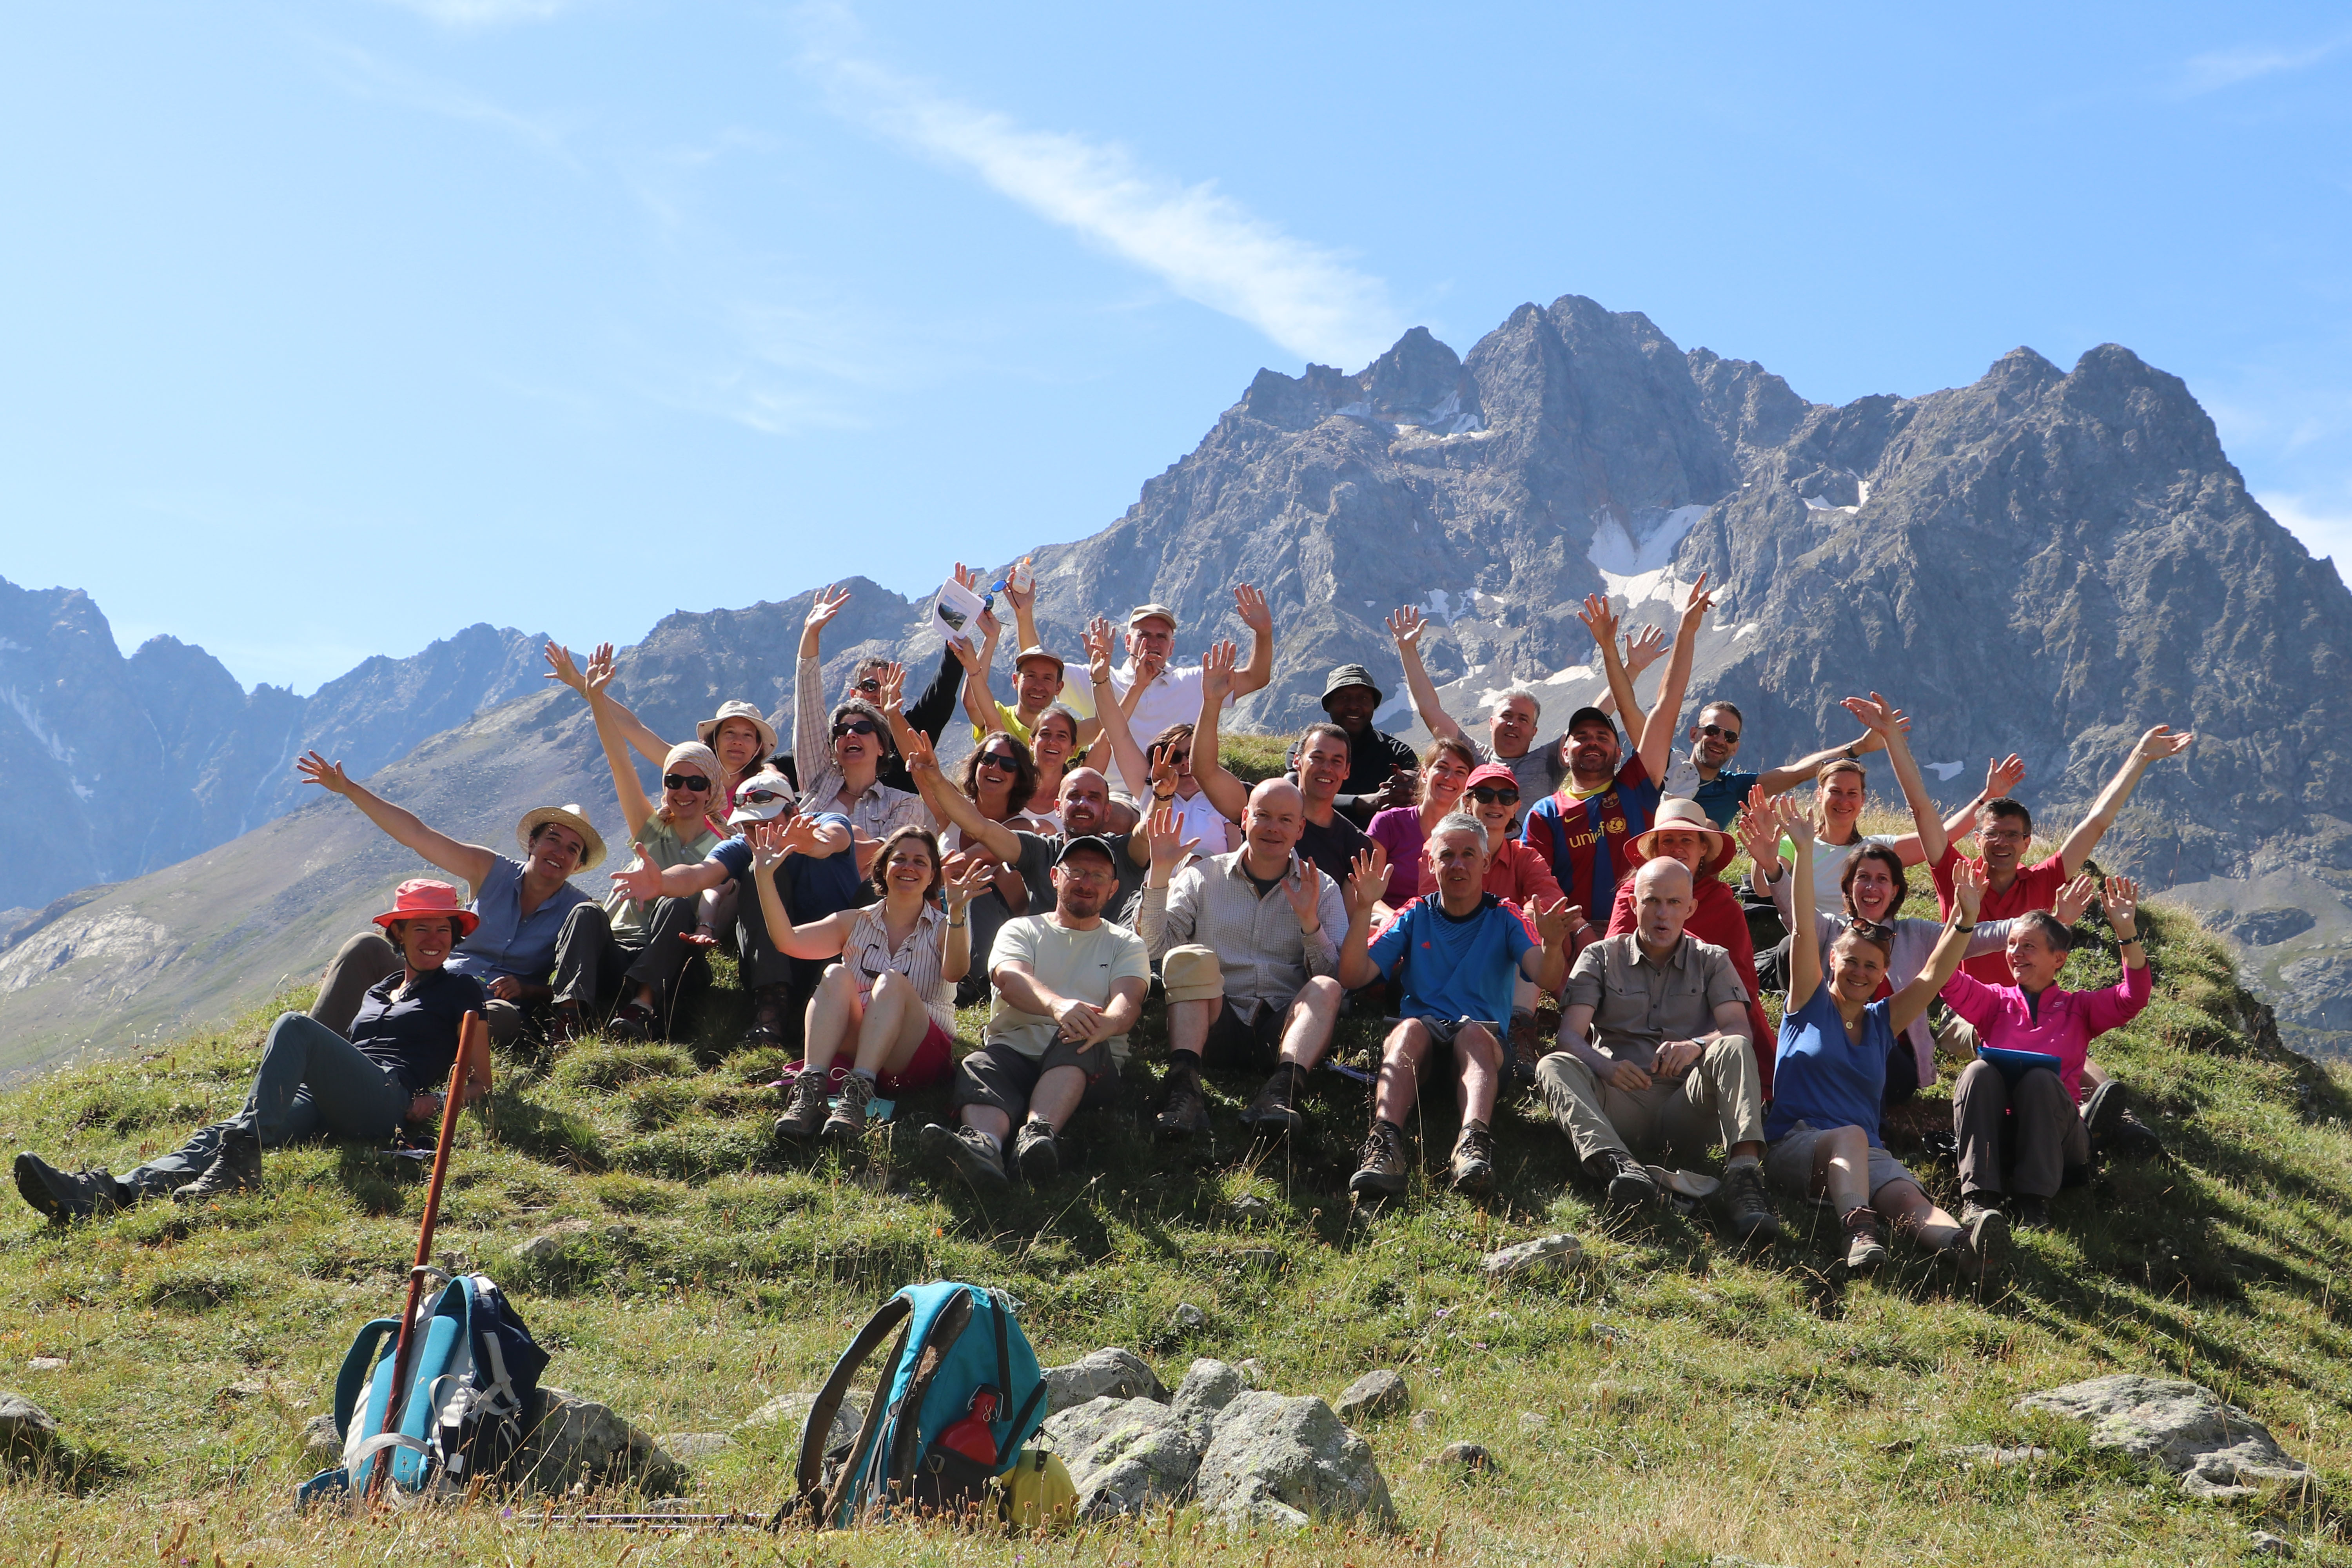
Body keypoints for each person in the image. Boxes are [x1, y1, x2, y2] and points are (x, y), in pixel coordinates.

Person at [14, 881, 487, 1220]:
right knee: (221, 1132)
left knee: (295, 1026)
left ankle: (241, 1162)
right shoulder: (380, 989)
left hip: (388, 1099)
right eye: (421, 928)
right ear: (399, 934)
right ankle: (106, 1193)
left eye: (444, 929)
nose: (434, 940)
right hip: (335, 1099)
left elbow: (482, 1082)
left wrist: (442, 1102)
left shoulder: (462, 989)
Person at [1771, 812, 2000, 1276]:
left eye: (1871, 967)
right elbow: (1801, 930)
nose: (1860, 972)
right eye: (1850, 961)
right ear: (1832, 959)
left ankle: (1962, 1245)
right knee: (1852, 1136)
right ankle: (1859, 1232)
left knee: (1907, 1196)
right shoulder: (1807, 1002)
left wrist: (1967, 916)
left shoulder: (1882, 1018)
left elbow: (1934, 974)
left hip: (1864, 1152)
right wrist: (1800, 853)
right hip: (1795, 1145)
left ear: (1883, 975)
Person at [1535, 857, 1782, 1245]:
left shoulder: (1713, 960)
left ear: (1690, 908)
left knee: (1732, 1045)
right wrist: (1605, 1067)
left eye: (1673, 902)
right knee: (1553, 1064)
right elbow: (1569, 1036)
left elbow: (1738, 1028)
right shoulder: (1599, 957)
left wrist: (1697, 1045)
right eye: (1651, 901)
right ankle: (1619, 1165)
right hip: (1619, 1098)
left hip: (1688, 1104)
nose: (1662, 913)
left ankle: (1744, 1177)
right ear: (1633, 904)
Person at [295, 752, 601, 1047]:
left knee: (501, 1019)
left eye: (573, 849)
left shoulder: (580, 911)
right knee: (365, 946)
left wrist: (528, 989)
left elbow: (577, 985)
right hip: (430, 974)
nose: (560, 853)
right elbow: (418, 835)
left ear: (579, 865)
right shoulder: (489, 869)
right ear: (532, 843)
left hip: (489, 1006)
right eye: (553, 839)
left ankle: (389, 1033)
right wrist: (348, 788)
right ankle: (308, 1044)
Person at [1338, 823, 1575, 1198]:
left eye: (1468, 855)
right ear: (1431, 865)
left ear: (1485, 863)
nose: (1457, 865)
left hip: (1483, 1047)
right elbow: (1352, 975)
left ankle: (1474, 1145)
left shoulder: (1506, 915)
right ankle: (1384, 1145)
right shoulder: (1415, 913)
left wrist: (1552, 943)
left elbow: (1544, 976)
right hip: (1423, 1055)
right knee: (1408, 1029)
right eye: (1447, 855)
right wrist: (1365, 907)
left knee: (1473, 1034)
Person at [920, 836, 1151, 1185]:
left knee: (1079, 1036)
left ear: (1113, 888)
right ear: (1055, 877)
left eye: (1098, 876)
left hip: (1088, 1056)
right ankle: (984, 1149)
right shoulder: (1021, 929)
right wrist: (1058, 1006)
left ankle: (1036, 1137)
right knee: (980, 1063)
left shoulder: (1126, 943)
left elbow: (1129, 1000)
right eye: (1076, 872)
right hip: (1015, 1052)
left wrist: (1107, 1024)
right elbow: (1010, 979)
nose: (1086, 883)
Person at [1136, 783, 1350, 1142]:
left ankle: (1282, 1092)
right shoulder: (1202, 876)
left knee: (1326, 987)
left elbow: (1337, 982)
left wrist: (1310, 923)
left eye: (1286, 820)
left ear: (1300, 829)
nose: (1273, 828)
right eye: (1263, 816)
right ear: (1245, 818)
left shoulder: (1321, 888)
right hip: (1217, 1021)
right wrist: (1160, 873)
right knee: (1188, 958)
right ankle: (1183, 1091)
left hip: (1282, 1028)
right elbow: (1155, 948)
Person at [1942, 876, 2153, 1230]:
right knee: (1978, 1072)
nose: (2015, 954)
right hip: (1998, 1133)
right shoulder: (1995, 1001)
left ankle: (2033, 1206)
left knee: (2041, 1080)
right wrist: (1964, 919)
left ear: (2059, 959)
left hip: (2059, 1143)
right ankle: (1980, 1199)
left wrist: (2127, 932)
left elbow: (2134, 996)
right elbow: (1944, 977)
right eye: (2012, 945)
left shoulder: (2080, 1008)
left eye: (2028, 946)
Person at [759, 825, 988, 1143]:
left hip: (917, 1049)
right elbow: (788, 942)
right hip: (860, 1039)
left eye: (921, 862)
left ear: (933, 874)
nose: (909, 867)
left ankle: (858, 1096)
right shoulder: (853, 922)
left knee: (891, 981)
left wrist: (958, 911)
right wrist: (763, 877)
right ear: (883, 868)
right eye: (900, 859)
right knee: (835, 975)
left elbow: (956, 972)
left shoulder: (943, 926)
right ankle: (810, 1091)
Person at [547, 658, 730, 1043]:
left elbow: (717, 898)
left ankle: (642, 1009)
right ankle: (569, 1019)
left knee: (676, 904)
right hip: (620, 950)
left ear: (711, 790)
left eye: (696, 782)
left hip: (673, 961)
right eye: (674, 780)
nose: (684, 791)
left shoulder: (724, 849)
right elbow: (619, 760)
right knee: (585, 912)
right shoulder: (650, 829)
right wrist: (594, 695)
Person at [607, 773, 859, 1047]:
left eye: (770, 824)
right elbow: (699, 874)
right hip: (775, 961)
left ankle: (805, 1014)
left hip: (836, 958)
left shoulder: (826, 823)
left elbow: (832, 841)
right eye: (751, 827)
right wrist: (663, 882)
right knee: (758, 870)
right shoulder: (742, 847)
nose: (761, 835)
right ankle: (770, 1012)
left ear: (794, 812)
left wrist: (811, 845)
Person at [1931, 725, 2194, 987]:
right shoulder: (1956, 875)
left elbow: (2096, 824)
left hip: (2024, 1015)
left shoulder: (2043, 880)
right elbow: (1923, 815)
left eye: (2012, 835)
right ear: (1977, 840)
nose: (2002, 842)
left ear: (2026, 844)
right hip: (1964, 1012)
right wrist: (1987, 796)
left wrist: (2140, 757)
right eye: (1993, 834)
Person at [1387, 604, 1669, 817]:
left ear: (1534, 731)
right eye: (1507, 717)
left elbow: (1598, 712)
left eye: (1523, 719)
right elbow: (1429, 709)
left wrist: (1632, 669)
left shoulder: (1548, 760)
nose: (1513, 725)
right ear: (1491, 723)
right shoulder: (1470, 754)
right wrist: (1408, 649)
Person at [1517, 586, 1697, 916]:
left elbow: (1666, 708)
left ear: (1618, 753)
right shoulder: (1545, 814)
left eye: (1603, 736)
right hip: (1574, 938)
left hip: (1641, 934)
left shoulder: (1634, 786)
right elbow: (1535, 886)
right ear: (1566, 750)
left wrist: (1686, 630)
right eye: (1581, 736)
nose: (1592, 741)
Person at [1600, 797, 1777, 1093]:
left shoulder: (1723, 904)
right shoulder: (1632, 897)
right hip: (1639, 1007)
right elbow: (1613, 963)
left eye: (1687, 840)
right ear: (1655, 849)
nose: (1677, 848)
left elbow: (1745, 983)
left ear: (1703, 849)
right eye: (1668, 840)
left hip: (1710, 1011)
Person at [794, 586, 937, 855]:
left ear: (882, 746)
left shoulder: (903, 804)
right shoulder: (817, 781)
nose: (850, 734)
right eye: (841, 730)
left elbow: (886, 858)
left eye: (862, 728)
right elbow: (808, 708)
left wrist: (824, 842)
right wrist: (810, 634)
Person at [1102, 587, 1274, 788]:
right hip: (1119, 795)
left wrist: (1263, 633)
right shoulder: (1102, 681)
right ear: (1128, 642)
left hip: (1186, 796)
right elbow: (1056, 682)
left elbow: (1257, 678)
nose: (1153, 643)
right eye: (1145, 635)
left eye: (1162, 637)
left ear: (1172, 647)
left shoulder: (1194, 681)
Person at [1659, 697, 1909, 829]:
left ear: (1735, 747)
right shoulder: (1663, 765)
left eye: (1730, 736)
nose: (1720, 740)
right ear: (1694, 734)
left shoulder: (1735, 788)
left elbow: (1796, 773)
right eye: (1712, 730)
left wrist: (1860, 747)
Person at [932, 729, 1044, 1006]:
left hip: (982, 922)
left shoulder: (1021, 828)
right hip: (937, 910)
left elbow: (962, 867)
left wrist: (925, 877)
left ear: (1020, 778)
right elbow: (922, 773)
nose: (995, 768)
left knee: (987, 880)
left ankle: (974, 984)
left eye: (1008, 765)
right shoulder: (952, 811)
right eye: (989, 759)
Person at [1366, 737, 1478, 912]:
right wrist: (1400, 922)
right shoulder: (1388, 823)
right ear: (1425, 774)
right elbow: (1368, 895)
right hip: (1389, 927)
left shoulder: (1471, 835)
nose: (1449, 777)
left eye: (1460, 772)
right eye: (1442, 768)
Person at [1311, 663, 1419, 825]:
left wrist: (1409, 784)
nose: (1354, 706)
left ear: (1374, 706)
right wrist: (1368, 802)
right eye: (1344, 698)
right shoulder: (1307, 751)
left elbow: (1415, 786)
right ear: (1328, 705)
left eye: (1363, 698)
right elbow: (1302, 794)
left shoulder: (1398, 753)